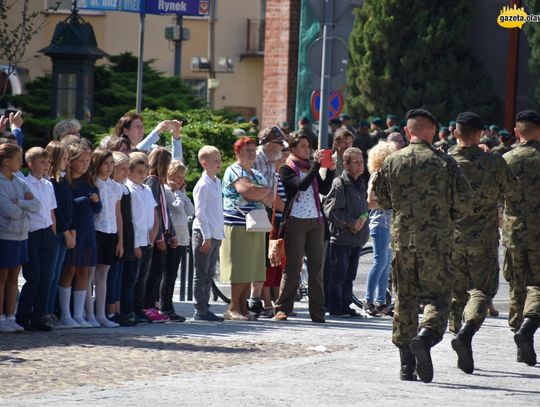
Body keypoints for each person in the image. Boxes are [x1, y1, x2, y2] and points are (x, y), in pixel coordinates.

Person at [374, 108, 471, 383]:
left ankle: (406, 366)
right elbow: (464, 202)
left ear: (408, 131)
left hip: (403, 241)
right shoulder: (445, 162)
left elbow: (382, 199)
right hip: (436, 243)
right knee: (438, 297)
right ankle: (425, 338)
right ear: (432, 131)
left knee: (404, 300)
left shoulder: (392, 161)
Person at [447, 112, 519, 374]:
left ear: (456, 133)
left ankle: (457, 338)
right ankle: (466, 333)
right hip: (484, 240)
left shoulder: (446, 162)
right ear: (481, 134)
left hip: (452, 238)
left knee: (457, 293)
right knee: (482, 290)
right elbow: (512, 189)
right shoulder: (493, 162)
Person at [273, 133, 335, 323]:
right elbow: (300, 185)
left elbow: (323, 189)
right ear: (292, 149)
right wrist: (316, 166)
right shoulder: (286, 168)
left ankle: (317, 312)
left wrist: (331, 170)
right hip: (296, 221)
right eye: (302, 147)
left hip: (315, 220)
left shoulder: (310, 167)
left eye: (308, 146)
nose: (307, 150)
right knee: (293, 267)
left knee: (317, 268)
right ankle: (282, 308)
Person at [502, 110, 540, 366]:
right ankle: (528, 328)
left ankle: (518, 333)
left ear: (517, 132)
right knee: (537, 286)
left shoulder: (505, 160)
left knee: (517, 284)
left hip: (513, 231)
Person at [220, 137, 273, 320]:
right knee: (240, 267)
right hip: (238, 223)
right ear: (237, 153)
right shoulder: (233, 170)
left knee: (251, 268)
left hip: (256, 225)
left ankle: (242, 308)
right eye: (246, 150)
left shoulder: (257, 173)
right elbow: (247, 190)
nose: (251, 153)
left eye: (253, 149)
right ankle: (233, 308)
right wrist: (260, 191)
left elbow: (269, 197)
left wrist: (259, 192)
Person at [58, 141, 102, 329]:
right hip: (73, 231)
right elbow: (67, 206)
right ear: (71, 161)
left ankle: (78, 314)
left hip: (88, 232)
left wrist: (96, 201)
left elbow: (98, 208)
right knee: (69, 270)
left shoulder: (89, 182)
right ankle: (65, 314)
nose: (85, 164)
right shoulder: (66, 183)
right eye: (81, 161)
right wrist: (84, 200)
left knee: (84, 271)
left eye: (87, 161)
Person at [323, 147, 368, 317]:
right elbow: (332, 211)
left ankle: (345, 305)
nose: (360, 165)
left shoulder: (360, 183)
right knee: (338, 275)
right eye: (356, 162)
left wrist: (363, 222)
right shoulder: (339, 183)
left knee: (350, 275)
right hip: (341, 238)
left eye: (361, 161)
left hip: (356, 239)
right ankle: (335, 306)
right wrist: (352, 223)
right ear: (346, 164)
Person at [16, 147, 57, 332]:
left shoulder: (48, 185)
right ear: (31, 164)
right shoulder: (24, 184)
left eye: (47, 162)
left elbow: (51, 211)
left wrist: (53, 232)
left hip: (47, 232)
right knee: (34, 276)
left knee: (47, 277)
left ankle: (39, 315)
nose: (46, 165)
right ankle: (23, 315)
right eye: (42, 162)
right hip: (32, 233)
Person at [0, 143, 40, 333]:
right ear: (6, 161)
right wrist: (24, 207)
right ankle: (1, 317)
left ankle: (10, 316)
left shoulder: (19, 181)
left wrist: (21, 204)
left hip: (21, 236)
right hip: (5, 235)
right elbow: (9, 211)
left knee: (13, 278)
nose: (21, 162)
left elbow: (36, 204)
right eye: (17, 159)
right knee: (2, 277)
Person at [85, 147, 124, 328]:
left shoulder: (116, 187)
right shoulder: (92, 183)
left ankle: (101, 314)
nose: (109, 168)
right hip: (95, 231)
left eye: (111, 164)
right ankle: (88, 313)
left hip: (110, 232)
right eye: (105, 163)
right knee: (89, 274)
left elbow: (118, 215)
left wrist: (120, 240)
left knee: (103, 275)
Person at [249, 126, 286, 316]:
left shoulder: (271, 161)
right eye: (279, 144)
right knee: (253, 259)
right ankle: (251, 301)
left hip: (266, 213)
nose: (282, 149)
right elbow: (254, 189)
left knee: (262, 260)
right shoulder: (255, 159)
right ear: (269, 144)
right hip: (254, 213)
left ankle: (256, 301)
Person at [143, 147, 180, 322]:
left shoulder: (159, 182)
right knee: (154, 272)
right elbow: (155, 211)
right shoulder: (152, 182)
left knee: (158, 271)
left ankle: (153, 305)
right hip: (156, 234)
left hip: (163, 232)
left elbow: (165, 212)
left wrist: (171, 233)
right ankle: (148, 305)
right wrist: (159, 236)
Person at [364, 141, 398, 317]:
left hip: (389, 223)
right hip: (380, 223)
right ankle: (368, 300)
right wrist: (390, 203)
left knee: (386, 264)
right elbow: (370, 201)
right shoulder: (377, 176)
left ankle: (381, 302)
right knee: (379, 262)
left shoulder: (388, 176)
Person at [192, 146, 225, 321]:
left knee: (209, 273)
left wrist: (218, 234)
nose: (219, 163)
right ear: (204, 163)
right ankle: (200, 309)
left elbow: (217, 210)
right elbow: (200, 212)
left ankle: (205, 307)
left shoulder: (217, 182)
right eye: (215, 161)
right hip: (204, 234)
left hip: (215, 234)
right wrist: (206, 236)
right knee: (202, 272)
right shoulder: (202, 185)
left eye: (219, 160)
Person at [45, 141, 75, 329]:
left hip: (66, 230)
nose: (67, 162)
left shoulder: (63, 180)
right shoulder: (52, 182)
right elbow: (57, 210)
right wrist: (66, 231)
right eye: (64, 158)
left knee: (55, 274)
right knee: (50, 274)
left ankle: (49, 310)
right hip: (56, 232)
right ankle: (44, 311)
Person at [106, 151, 137, 326]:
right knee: (112, 275)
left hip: (126, 232)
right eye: (122, 169)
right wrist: (120, 240)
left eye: (127, 169)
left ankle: (117, 309)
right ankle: (111, 310)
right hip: (116, 232)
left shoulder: (123, 187)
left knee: (119, 275)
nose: (125, 172)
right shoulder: (113, 187)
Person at [127, 154, 158, 324]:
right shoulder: (129, 189)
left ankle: (139, 308)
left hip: (148, 239)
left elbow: (154, 212)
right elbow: (130, 219)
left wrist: (155, 231)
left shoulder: (146, 189)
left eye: (145, 170)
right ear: (130, 172)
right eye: (139, 171)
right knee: (133, 277)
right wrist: (135, 243)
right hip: (136, 240)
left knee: (143, 278)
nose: (143, 174)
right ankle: (130, 308)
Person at [164, 160, 194, 320]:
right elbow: (175, 207)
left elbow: (190, 210)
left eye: (182, 177)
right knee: (168, 273)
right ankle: (165, 306)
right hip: (173, 237)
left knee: (174, 272)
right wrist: (177, 193)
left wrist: (183, 193)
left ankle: (169, 306)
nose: (181, 181)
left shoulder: (180, 193)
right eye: (177, 177)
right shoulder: (168, 191)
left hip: (182, 237)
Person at [113, 112, 183, 157]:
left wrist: (176, 137)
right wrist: (157, 131)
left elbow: (176, 163)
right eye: (137, 126)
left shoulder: (151, 148)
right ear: (126, 131)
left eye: (142, 126)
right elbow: (135, 154)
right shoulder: (120, 149)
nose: (141, 129)